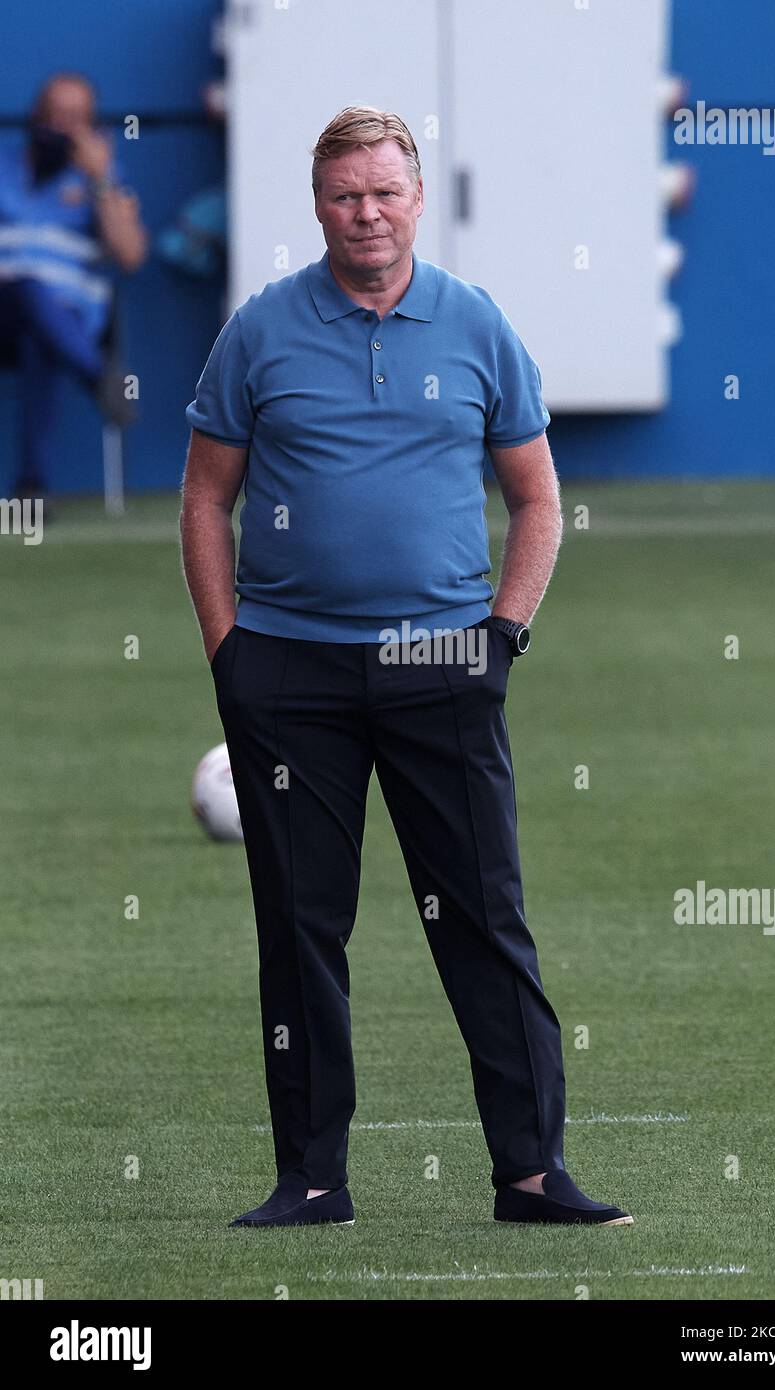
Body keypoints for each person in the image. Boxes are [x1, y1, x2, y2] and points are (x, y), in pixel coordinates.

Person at [181, 105, 633, 1230]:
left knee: (483, 917)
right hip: (290, 671)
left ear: (417, 197)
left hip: (442, 662)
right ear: (317, 204)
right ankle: (311, 1179)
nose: (365, 213)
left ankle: (531, 1174)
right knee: (297, 928)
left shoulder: (475, 324)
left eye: (384, 192)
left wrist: (500, 634)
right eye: (344, 195)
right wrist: (229, 650)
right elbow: (204, 498)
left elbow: (536, 499)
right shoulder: (259, 331)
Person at [0, 72, 147, 506]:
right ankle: (98, 378)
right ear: (35, 116)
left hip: (67, 321)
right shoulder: (4, 165)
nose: (61, 126)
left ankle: (32, 489)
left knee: (39, 338)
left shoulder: (103, 179)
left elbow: (131, 255)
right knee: (25, 288)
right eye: (53, 115)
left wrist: (100, 176)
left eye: (74, 118)